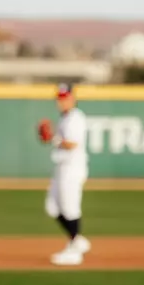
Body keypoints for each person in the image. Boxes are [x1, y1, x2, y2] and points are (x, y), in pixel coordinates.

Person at [46, 83, 92, 266]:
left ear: (73, 99)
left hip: (72, 169)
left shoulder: (76, 118)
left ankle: (75, 250)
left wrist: (53, 138)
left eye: (65, 97)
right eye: (59, 97)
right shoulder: (65, 118)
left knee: (70, 208)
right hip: (62, 168)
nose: (61, 101)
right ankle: (78, 240)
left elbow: (72, 144)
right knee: (52, 207)